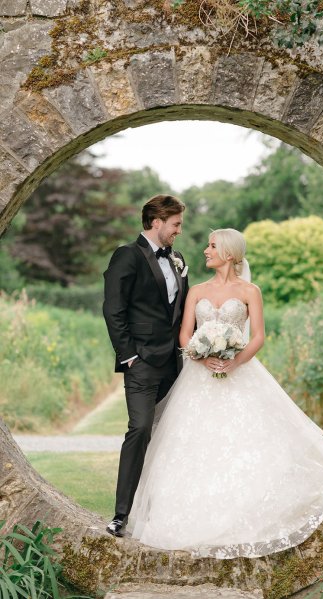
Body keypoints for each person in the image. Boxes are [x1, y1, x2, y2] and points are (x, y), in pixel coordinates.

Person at [129, 228, 323, 559]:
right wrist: (202, 358)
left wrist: (234, 363)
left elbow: (258, 336)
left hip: (239, 371)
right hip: (199, 377)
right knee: (194, 444)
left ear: (229, 254)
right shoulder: (197, 291)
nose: (205, 250)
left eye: (212, 246)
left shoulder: (250, 291)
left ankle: (244, 511)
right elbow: (185, 334)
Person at [102, 194, 188, 537]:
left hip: (175, 364)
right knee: (140, 430)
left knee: (171, 437)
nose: (179, 231)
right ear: (157, 222)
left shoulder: (178, 259)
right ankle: (121, 515)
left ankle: (162, 512)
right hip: (141, 362)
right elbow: (113, 309)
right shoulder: (127, 255)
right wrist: (129, 355)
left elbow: (182, 310)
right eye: (176, 224)